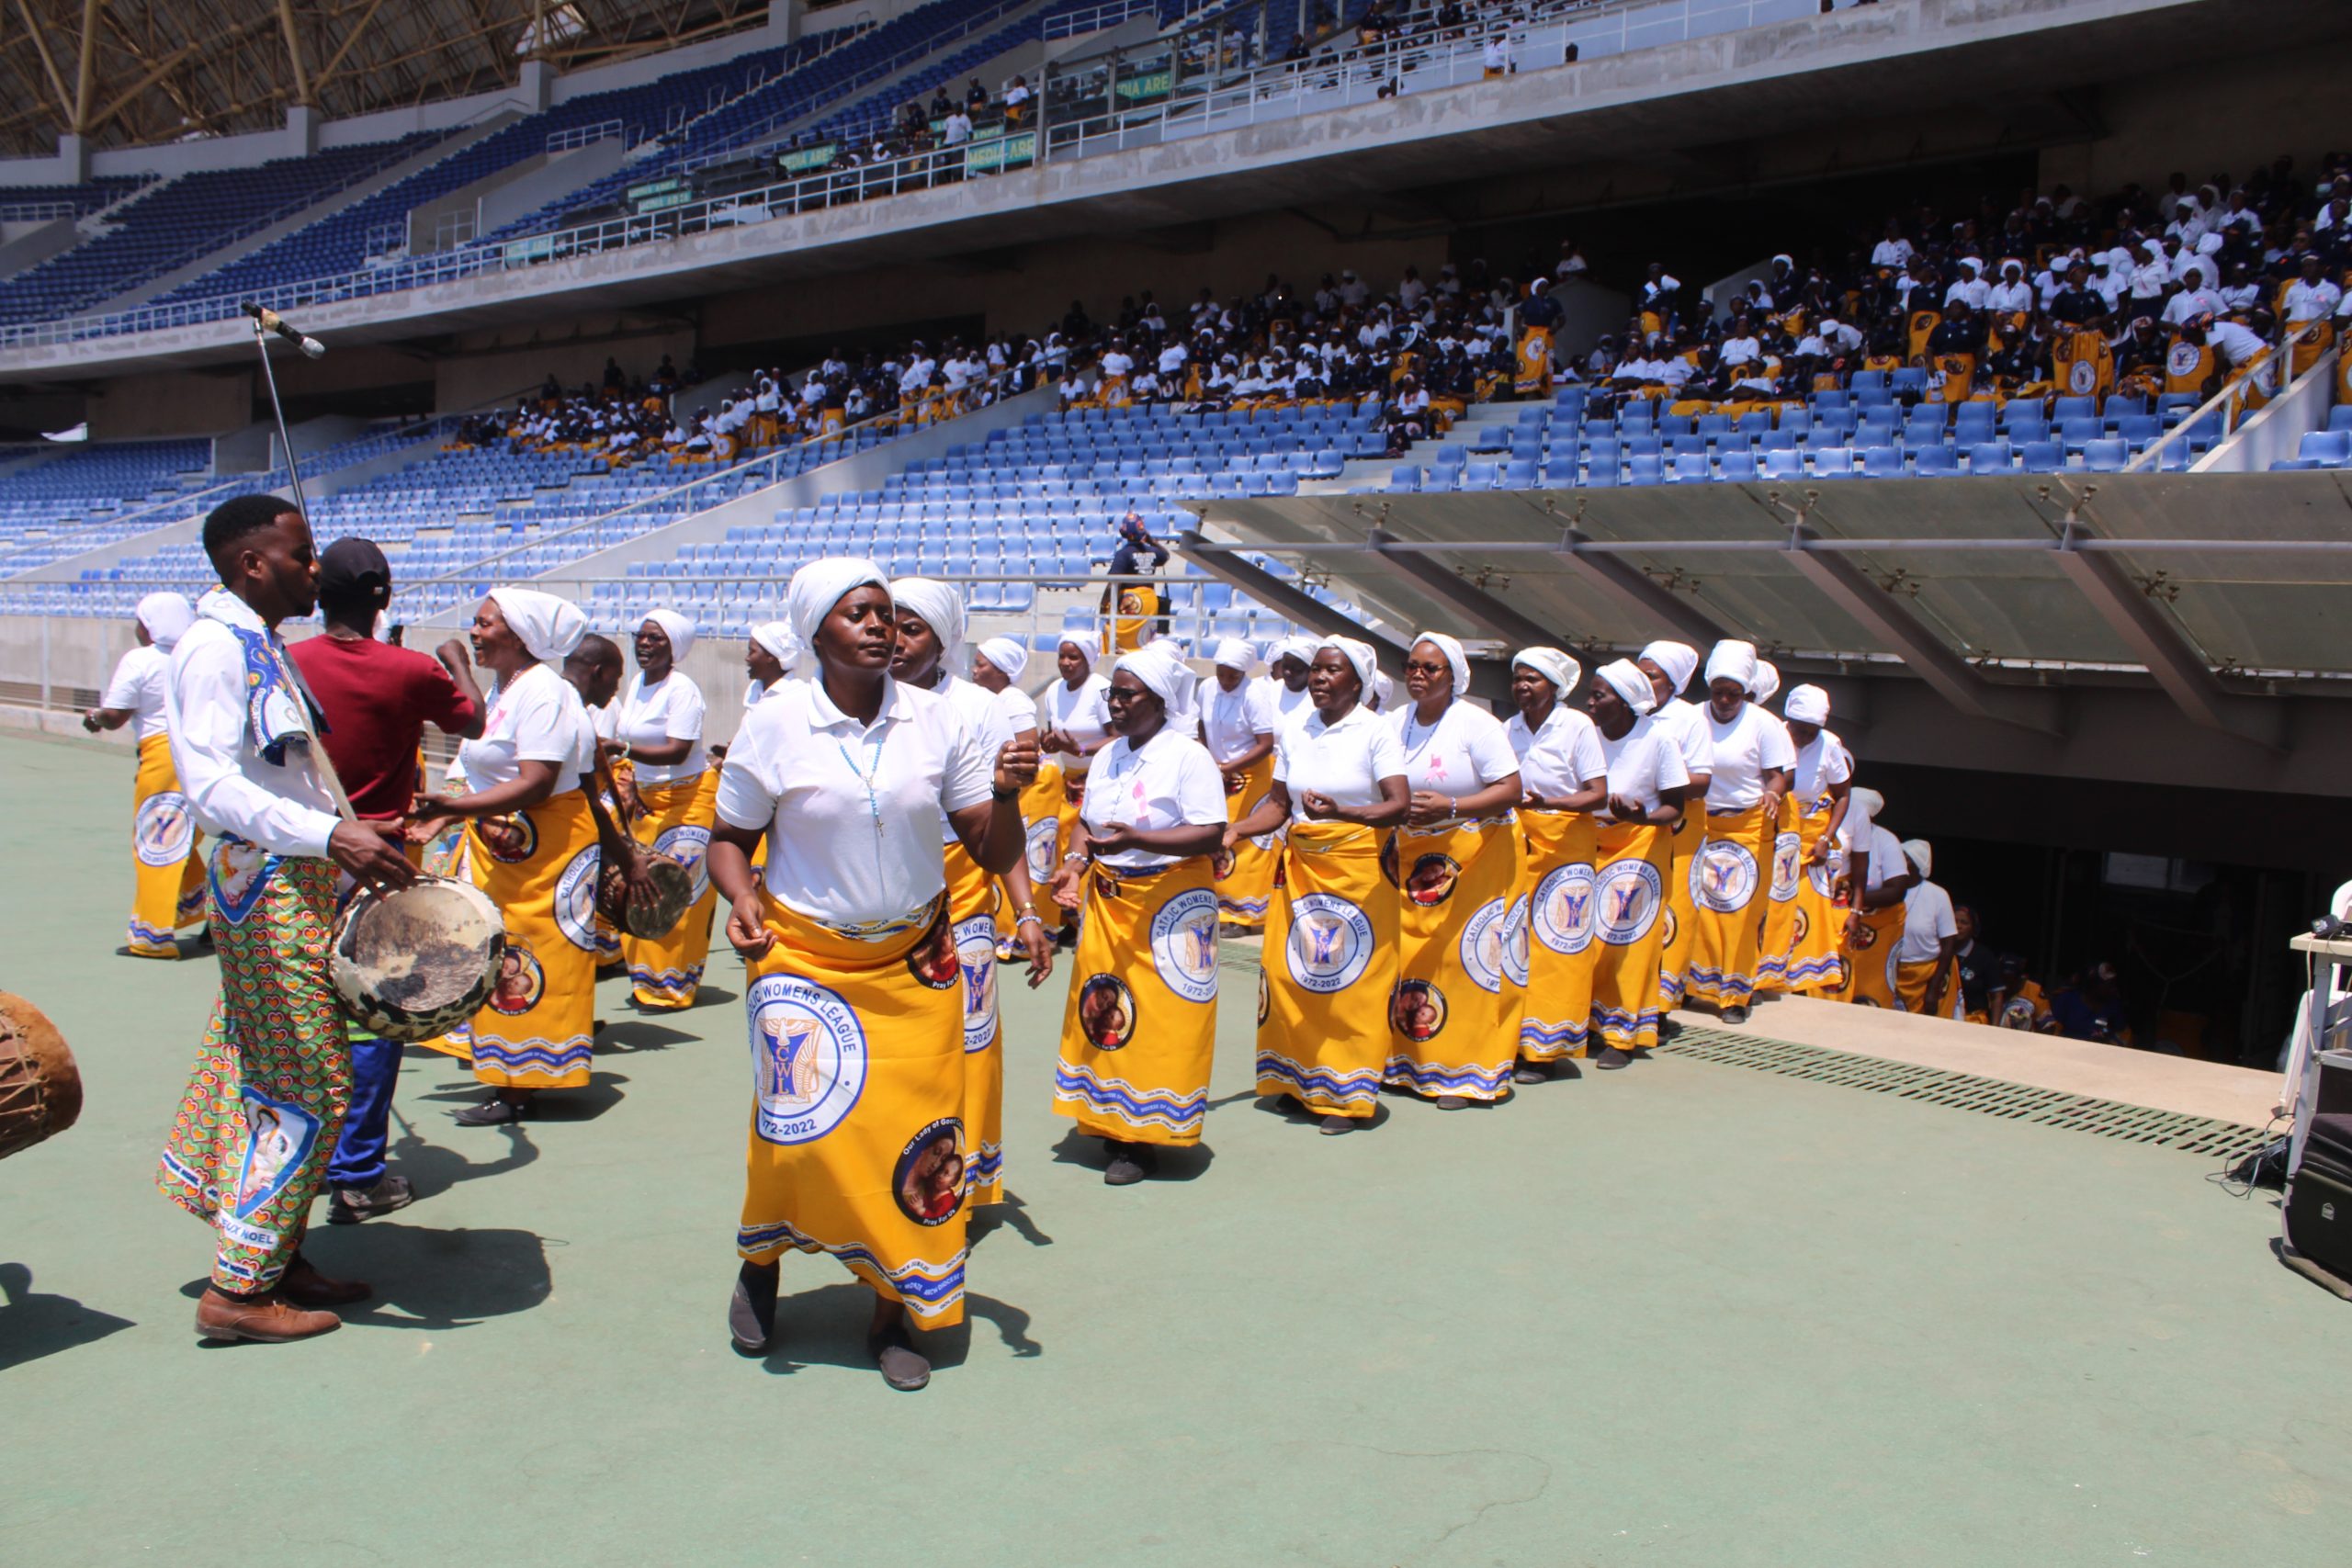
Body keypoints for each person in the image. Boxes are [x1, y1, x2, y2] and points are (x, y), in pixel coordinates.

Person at [707, 558, 1035, 1392]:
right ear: (817, 631)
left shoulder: (939, 720)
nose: (882, 625)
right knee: (792, 1130)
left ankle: (894, 1307)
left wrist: (1003, 793)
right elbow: (726, 837)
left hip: (917, 962)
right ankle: (764, 1262)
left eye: (888, 613)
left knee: (920, 1140)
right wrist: (742, 895)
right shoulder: (775, 719)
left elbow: (992, 851)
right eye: (860, 614)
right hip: (804, 960)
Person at [157, 492, 419, 1343]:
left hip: (289, 874)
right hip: (264, 881)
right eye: (303, 555)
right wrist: (328, 834)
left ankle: (277, 1252)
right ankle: (238, 1290)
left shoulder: (255, 639)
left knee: (267, 1059)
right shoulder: (212, 647)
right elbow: (212, 786)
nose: (317, 568)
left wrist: (338, 830)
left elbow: (285, 775)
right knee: (309, 1077)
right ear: (252, 564)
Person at [285, 538, 486, 1224]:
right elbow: (474, 718)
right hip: (383, 862)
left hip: (301, 855)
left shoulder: (287, 664)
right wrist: (455, 659)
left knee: (297, 1011)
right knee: (377, 1016)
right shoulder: (410, 670)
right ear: (385, 597)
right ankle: (358, 1171)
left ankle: (299, 1159)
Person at [411, 588, 603, 1124]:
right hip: (505, 844)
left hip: (547, 851)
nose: (475, 632)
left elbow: (537, 783)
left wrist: (453, 808)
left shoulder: (543, 692)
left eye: (485, 623)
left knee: (532, 957)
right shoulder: (505, 688)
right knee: (495, 953)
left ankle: (521, 1084)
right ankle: (503, 1066)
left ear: (518, 634)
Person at [890, 579, 1052, 1208]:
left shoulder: (976, 709)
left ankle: (955, 1180)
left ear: (945, 640)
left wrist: (1028, 911)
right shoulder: (860, 701)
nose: (895, 639)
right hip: (884, 897)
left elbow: (996, 825)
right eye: (890, 623)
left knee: (969, 1043)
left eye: (913, 628)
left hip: (962, 896)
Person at [1048, 641, 1227, 1183]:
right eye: (1112, 694)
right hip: (1110, 901)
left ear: (1159, 700)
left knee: (1164, 1020)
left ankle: (1144, 1139)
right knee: (1106, 1007)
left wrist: (1139, 838)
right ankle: (1107, 1119)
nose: (1116, 704)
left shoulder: (1188, 756)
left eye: (1126, 695)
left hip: (1170, 902)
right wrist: (1075, 865)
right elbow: (1087, 820)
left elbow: (1210, 832)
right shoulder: (1108, 754)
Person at [1231, 638, 1408, 1133]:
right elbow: (1279, 805)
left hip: (1360, 869)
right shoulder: (1296, 728)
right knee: (1293, 974)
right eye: (1316, 670)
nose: (1319, 678)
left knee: (1351, 982)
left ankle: (1346, 1094)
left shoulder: (1376, 731)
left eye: (1332, 671)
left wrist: (1344, 811)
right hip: (1303, 868)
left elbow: (1398, 804)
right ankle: (1297, 1078)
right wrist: (1237, 829)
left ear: (1358, 682)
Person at [1383, 633, 1524, 1109]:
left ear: (1454, 676)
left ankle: (1464, 1073)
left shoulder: (1477, 725)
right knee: (1410, 958)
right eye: (1413, 666)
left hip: (1473, 855)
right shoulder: (1392, 722)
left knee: (1465, 959)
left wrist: (1454, 804)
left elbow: (1511, 788)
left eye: (1431, 668)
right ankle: (1409, 1063)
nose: (1418, 675)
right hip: (1410, 857)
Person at [605, 610, 719, 1011]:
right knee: (641, 887)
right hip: (648, 801)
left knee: (681, 892)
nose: (645, 644)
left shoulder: (682, 689)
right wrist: (631, 779)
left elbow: (678, 749)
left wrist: (623, 752)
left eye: (656, 639)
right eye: (642, 636)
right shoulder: (637, 684)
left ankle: (675, 985)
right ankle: (647, 982)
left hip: (689, 801)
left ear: (674, 647)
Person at [1504, 648, 1607, 1081]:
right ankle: (1513, 1039)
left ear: (1555, 686)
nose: (1523, 686)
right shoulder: (1506, 729)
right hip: (1517, 838)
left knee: (1558, 943)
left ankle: (1548, 1048)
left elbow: (1597, 792)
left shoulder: (1577, 726)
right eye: (1519, 679)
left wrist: (1553, 802)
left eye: (1534, 679)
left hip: (1566, 840)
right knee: (1514, 940)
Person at [1679, 642, 1793, 1025]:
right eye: (1719, 692)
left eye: (1735, 693)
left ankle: (1734, 994)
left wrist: (1774, 792)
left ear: (1746, 692)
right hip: (1701, 822)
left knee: (1740, 913)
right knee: (1699, 907)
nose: (1726, 700)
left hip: (1747, 824)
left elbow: (1780, 772)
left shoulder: (1765, 723)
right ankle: (1696, 985)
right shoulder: (1692, 718)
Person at [85, 592, 206, 958]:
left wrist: (95, 718)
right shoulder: (197, 656)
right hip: (201, 756)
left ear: (151, 626)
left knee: (158, 844)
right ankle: (211, 913)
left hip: (162, 757)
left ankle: (153, 936)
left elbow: (117, 714)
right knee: (185, 840)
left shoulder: (140, 659)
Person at [1584, 659, 1690, 1066]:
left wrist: (1639, 817)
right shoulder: (1588, 735)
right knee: (1586, 938)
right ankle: (1589, 1022)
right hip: (1589, 844)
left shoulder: (1658, 739)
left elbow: (1675, 809)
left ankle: (1622, 1036)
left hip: (1640, 843)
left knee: (1628, 941)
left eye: (1599, 695)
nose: (1590, 703)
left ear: (1625, 702)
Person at [1634, 641, 1712, 1026]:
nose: (1643, 682)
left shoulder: (1689, 719)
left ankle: (1661, 1006)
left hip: (1679, 823)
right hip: (1633, 823)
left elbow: (1700, 779)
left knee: (1674, 908)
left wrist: (1659, 775)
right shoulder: (1628, 712)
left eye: (1652, 675)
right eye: (1640, 672)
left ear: (1673, 683)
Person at [1766, 683, 1851, 997]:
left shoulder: (1830, 744)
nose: (1802, 738)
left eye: (1810, 731)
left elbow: (1843, 795)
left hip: (1812, 836)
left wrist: (1827, 839)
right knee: (1771, 904)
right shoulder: (1772, 733)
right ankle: (1765, 972)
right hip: (1775, 828)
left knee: (1805, 909)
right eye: (1798, 730)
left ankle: (1798, 980)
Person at [1035, 632, 1114, 933]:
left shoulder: (1101, 690)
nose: (1066, 663)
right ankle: (1067, 913)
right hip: (1069, 779)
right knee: (1064, 845)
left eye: (1074, 657)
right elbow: (1053, 735)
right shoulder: (1054, 690)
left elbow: (1119, 736)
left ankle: (1088, 914)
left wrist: (1080, 750)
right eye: (1062, 657)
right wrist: (1052, 744)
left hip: (1100, 777)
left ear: (1088, 659)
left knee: (1090, 844)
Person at [1200, 637, 1280, 933]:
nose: (1225, 680)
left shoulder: (1254, 694)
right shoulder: (1207, 688)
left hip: (1250, 777)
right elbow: (1201, 724)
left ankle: (1247, 915)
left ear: (1244, 673)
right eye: (1221, 673)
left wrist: (1229, 767)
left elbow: (1265, 743)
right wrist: (1209, 760)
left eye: (1232, 675)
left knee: (1246, 843)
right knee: (1217, 839)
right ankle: (1221, 907)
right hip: (1218, 775)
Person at [1836, 787, 1913, 1008]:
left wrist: (1855, 900)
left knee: (1872, 990)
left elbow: (1897, 890)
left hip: (1878, 928)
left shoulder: (1886, 840)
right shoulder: (1836, 834)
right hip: (1839, 919)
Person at [1889, 840, 1960, 1017]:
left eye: (1901, 857)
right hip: (1892, 971)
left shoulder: (1938, 895)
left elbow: (1949, 943)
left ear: (1913, 863)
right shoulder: (1888, 890)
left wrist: (1933, 988)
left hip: (1926, 974)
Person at [1101, 513, 1169, 654]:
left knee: (1114, 632)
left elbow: (1114, 582)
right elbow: (1165, 555)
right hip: (1149, 601)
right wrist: (1150, 540)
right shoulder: (1152, 552)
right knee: (1144, 638)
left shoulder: (1124, 554)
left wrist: (1103, 603)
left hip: (1130, 601)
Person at [2052, 961, 2133, 1044]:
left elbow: (2124, 1036)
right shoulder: (2068, 999)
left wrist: (2107, 1041)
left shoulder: (2114, 1005)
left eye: (2114, 984)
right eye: (2109, 984)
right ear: (2094, 984)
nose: (2113, 988)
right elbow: (2052, 1032)